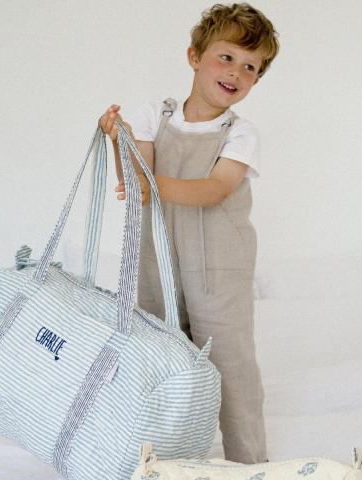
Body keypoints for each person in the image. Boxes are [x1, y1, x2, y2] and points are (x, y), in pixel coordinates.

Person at [100, 2, 279, 464]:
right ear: (195, 57)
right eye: (226, 57)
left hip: (219, 263)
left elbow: (214, 190)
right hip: (157, 257)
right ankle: (162, 456)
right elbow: (136, 180)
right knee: (160, 353)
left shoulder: (239, 134)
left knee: (229, 362)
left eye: (250, 67)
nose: (236, 72)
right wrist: (118, 140)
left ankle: (248, 462)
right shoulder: (153, 115)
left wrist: (149, 184)